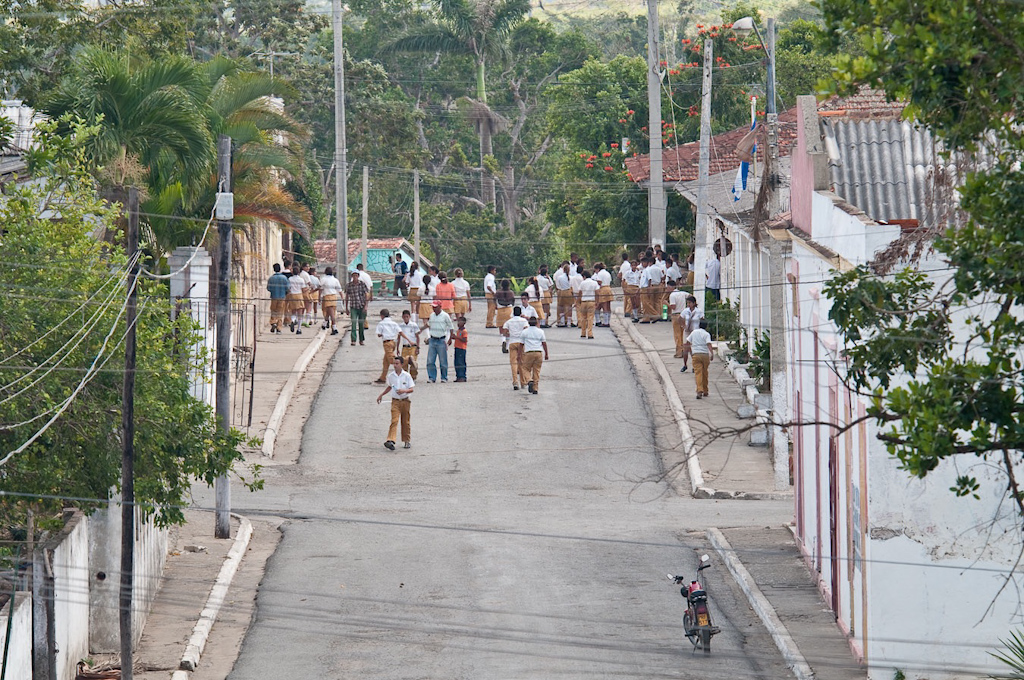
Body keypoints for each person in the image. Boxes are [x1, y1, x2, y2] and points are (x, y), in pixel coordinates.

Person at [376, 356, 414, 450]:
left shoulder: (406, 376)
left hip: (405, 401)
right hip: (395, 401)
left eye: (397, 364)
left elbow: (411, 389)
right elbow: (390, 387)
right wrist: (381, 395)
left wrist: (404, 391)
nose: (395, 366)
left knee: (405, 421)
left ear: (401, 364)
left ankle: (406, 440)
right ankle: (391, 440)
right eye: (394, 364)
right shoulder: (391, 376)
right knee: (394, 420)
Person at [422, 300, 455, 382]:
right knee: (430, 360)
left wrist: (450, 339)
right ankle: (432, 377)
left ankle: (444, 377)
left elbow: (451, 327)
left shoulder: (445, 316)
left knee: (443, 361)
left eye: (435, 307)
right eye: (433, 307)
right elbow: (428, 324)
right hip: (433, 339)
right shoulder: (432, 315)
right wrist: (421, 329)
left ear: (440, 307)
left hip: (441, 339)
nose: (434, 309)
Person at [501, 306, 530, 390]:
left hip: (512, 342)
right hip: (521, 343)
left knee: (513, 363)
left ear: (513, 313)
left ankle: (515, 382)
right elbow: (526, 330)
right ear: (520, 313)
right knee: (522, 362)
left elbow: (504, 332)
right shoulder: (524, 321)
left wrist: (510, 334)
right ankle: (523, 381)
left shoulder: (509, 322)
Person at [519, 317, 549, 395]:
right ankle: (535, 388)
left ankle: (529, 380)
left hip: (529, 352)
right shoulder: (540, 331)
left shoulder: (524, 332)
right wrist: (546, 354)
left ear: (528, 323)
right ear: (536, 323)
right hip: (538, 352)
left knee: (525, 368)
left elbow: (521, 344)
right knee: (537, 370)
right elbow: (544, 343)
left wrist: (519, 355)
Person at [374, 309, 402, 384]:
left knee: (392, 360)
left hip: (387, 343)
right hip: (393, 342)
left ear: (382, 316)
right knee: (385, 361)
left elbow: (379, 334)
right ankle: (383, 377)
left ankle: (406, 361)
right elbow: (399, 332)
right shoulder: (394, 323)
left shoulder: (381, 323)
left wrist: (383, 334)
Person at [689, 319, 714, 398]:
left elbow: (688, 343)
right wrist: (712, 353)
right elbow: (709, 344)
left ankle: (699, 390)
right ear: (706, 326)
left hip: (696, 354)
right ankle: (705, 390)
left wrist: (691, 352)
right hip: (705, 355)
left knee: (698, 373)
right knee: (705, 372)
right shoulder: (706, 334)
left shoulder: (694, 332)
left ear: (699, 325)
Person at [679, 295, 704, 373]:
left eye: (690, 303)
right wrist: (683, 325)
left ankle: (694, 365)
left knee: (694, 350)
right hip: (687, 331)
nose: (688, 304)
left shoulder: (699, 311)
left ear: (694, 303)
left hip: (695, 332)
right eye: (687, 303)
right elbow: (680, 318)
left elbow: (703, 320)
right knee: (686, 349)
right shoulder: (686, 311)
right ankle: (685, 364)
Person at [345, 271, 370, 345]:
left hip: (361, 306)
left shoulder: (362, 284)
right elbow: (347, 296)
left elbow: (366, 295)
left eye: (356, 275)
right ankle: (353, 340)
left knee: (361, 324)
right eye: (353, 276)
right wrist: (346, 308)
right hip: (353, 306)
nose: (355, 277)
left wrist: (366, 306)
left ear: (358, 276)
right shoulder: (349, 285)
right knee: (353, 323)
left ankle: (361, 340)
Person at [319, 266, 343, 335]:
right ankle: (325, 323)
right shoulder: (335, 280)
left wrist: (319, 297)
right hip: (333, 296)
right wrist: (342, 297)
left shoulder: (323, 279)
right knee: (330, 311)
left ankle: (334, 327)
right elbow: (340, 290)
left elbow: (320, 288)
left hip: (327, 296)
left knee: (331, 312)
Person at [576, 270, 600, 339]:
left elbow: (580, 293)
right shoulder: (594, 283)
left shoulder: (582, 283)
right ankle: (590, 333)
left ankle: (583, 333)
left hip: (584, 301)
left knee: (583, 317)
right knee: (590, 318)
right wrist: (597, 301)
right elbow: (597, 293)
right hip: (591, 301)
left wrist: (578, 301)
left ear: (584, 276)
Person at [397, 309, 420, 379]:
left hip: (413, 347)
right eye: (404, 317)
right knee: (404, 363)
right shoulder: (401, 326)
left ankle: (413, 377)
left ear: (409, 317)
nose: (406, 318)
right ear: (402, 317)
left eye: (407, 317)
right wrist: (397, 348)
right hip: (405, 347)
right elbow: (399, 338)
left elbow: (417, 337)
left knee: (412, 362)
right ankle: (405, 377)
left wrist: (418, 347)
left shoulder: (413, 325)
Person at [266, 263, 289, 334]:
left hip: (274, 297)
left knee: (273, 311)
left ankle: (273, 322)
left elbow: (268, 288)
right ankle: (279, 328)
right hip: (282, 297)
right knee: (280, 312)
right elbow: (287, 288)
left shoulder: (271, 278)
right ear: (280, 269)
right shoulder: (284, 278)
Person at [668, 284, 689, 358]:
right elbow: (690, 296)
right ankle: (683, 350)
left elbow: (673, 307)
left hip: (676, 315)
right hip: (683, 315)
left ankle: (679, 352)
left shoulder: (672, 295)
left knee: (677, 335)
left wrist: (666, 304)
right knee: (682, 334)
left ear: (671, 287)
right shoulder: (683, 293)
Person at [495, 279, 515, 351]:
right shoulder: (511, 292)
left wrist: (495, 306)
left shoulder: (498, 292)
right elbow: (513, 302)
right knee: (508, 329)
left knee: (501, 328)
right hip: (509, 310)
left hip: (500, 310)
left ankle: (503, 340)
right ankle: (507, 346)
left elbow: (494, 300)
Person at [286, 265, 307, 333]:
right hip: (299, 295)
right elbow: (303, 289)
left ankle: (292, 320)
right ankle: (299, 329)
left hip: (292, 295)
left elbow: (288, 288)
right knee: (300, 313)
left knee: (293, 311)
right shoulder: (301, 279)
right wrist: (307, 288)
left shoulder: (290, 279)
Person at [592, 262, 613, 327]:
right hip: (608, 288)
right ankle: (608, 320)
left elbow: (599, 282)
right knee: (608, 305)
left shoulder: (600, 274)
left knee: (604, 306)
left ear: (597, 269)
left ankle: (605, 322)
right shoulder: (607, 273)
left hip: (603, 289)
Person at [553, 262, 573, 327]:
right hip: (569, 292)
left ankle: (562, 321)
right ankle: (569, 322)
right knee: (569, 307)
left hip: (562, 292)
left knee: (561, 306)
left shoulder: (559, 277)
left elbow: (557, 285)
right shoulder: (570, 277)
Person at [356, 263, 374, 330]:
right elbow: (371, 286)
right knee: (365, 308)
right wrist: (371, 295)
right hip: (367, 293)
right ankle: (364, 323)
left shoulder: (356, 276)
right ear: (363, 268)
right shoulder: (367, 275)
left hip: (358, 293)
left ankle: (362, 322)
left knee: (358, 308)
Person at [453, 317, 469, 382]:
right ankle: (458, 376)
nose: (458, 323)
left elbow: (465, 340)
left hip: (462, 348)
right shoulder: (459, 330)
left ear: (464, 323)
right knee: (456, 362)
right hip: (457, 347)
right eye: (458, 322)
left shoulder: (464, 331)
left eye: (460, 322)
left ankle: (462, 376)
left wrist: (456, 337)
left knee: (461, 362)